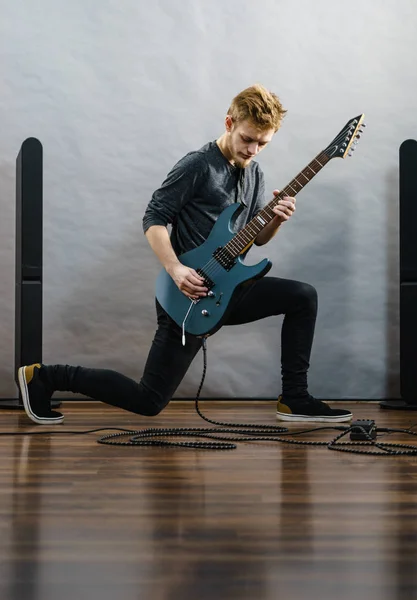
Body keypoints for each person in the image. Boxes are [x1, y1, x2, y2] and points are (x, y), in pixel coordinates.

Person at [18, 84, 352, 425]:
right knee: (148, 400)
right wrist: (176, 269)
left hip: (229, 289)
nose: (253, 149)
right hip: (188, 292)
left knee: (302, 296)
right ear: (229, 123)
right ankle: (45, 377)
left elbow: (258, 240)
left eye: (262, 143)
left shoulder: (255, 174)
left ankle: (294, 398)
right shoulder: (198, 165)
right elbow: (154, 218)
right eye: (247, 139)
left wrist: (276, 219)